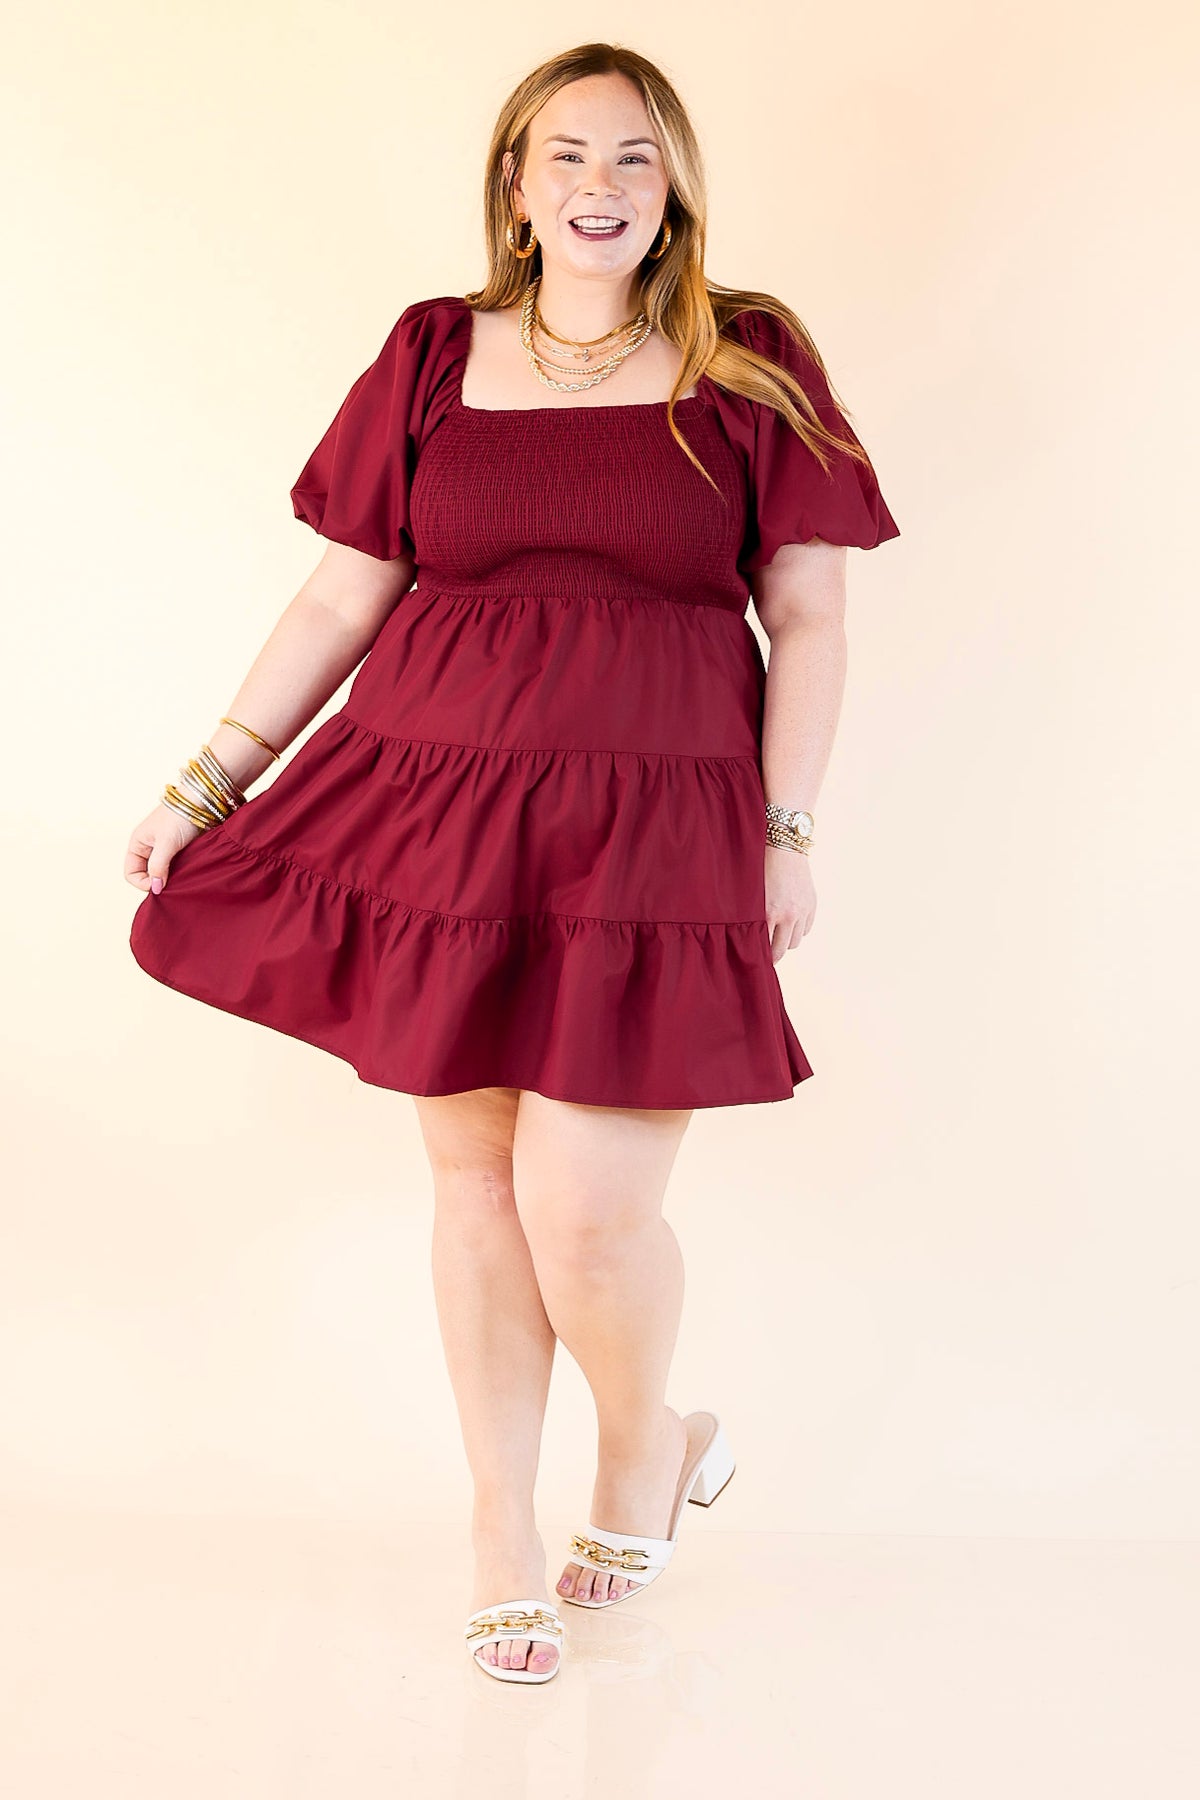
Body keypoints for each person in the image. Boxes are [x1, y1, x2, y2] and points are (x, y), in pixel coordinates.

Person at [124, 43, 900, 1686]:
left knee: (587, 1214)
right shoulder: (432, 349)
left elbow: (813, 615)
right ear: (516, 182)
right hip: (439, 814)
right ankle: (498, 1527)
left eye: (635, 157)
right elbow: (345, 593)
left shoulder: (750, 357)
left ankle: (649, 1440)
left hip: (658, 829)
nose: (600, 186)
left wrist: (788, 831)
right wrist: (209, 776)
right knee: (476, 1184)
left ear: (673, 183)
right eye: (568, 156)